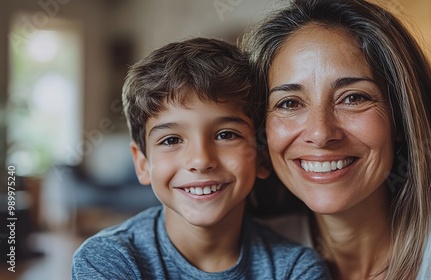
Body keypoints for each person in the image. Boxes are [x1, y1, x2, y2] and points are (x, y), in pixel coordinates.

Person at [241, 0, 431, 279]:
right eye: (289, 103)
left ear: (400, 117)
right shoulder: (247, 250)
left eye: (353, 98)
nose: (320, 133)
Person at [71, 37, 331, 279]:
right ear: (142, 164)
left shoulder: (296, 269)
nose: (200, 160)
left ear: (262, 157)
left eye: (226, 135)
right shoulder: (108, 260)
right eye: (171, 140)